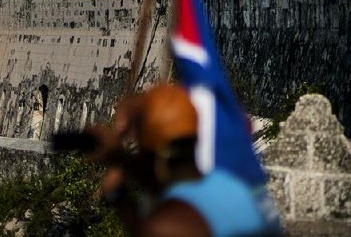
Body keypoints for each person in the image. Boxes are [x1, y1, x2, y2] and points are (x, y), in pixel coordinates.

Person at [87, 84, 273, 237]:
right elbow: (164, 181)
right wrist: (123, 159)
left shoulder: (169, 225)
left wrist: (120, 197)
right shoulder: (231, 183)